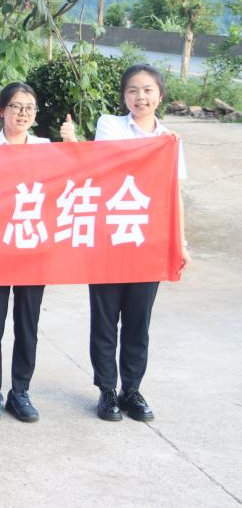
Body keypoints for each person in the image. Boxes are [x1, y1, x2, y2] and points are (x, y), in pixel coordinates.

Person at [85, 64, 188, 423]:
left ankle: (132, 389)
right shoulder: (110, 125)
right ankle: (106, 390)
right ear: (124, 96)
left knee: (138, 322)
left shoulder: (171, 141)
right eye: (132, 90)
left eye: (147, 90)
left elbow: (174, 193)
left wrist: (180, 242)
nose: (140, 97)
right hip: (109, 239)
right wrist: (160, 146)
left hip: (148, 243)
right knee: (104, 320)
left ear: (160, 95)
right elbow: (115, 162)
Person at [0, 81, 75, 422]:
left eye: (29, 108)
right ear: (2, 111)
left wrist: (72, 144)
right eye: (16, 106)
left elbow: (77, 174)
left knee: (27, 324)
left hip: (33, 247)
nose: (22, 114)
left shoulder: (45, 148)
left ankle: (20, 391)